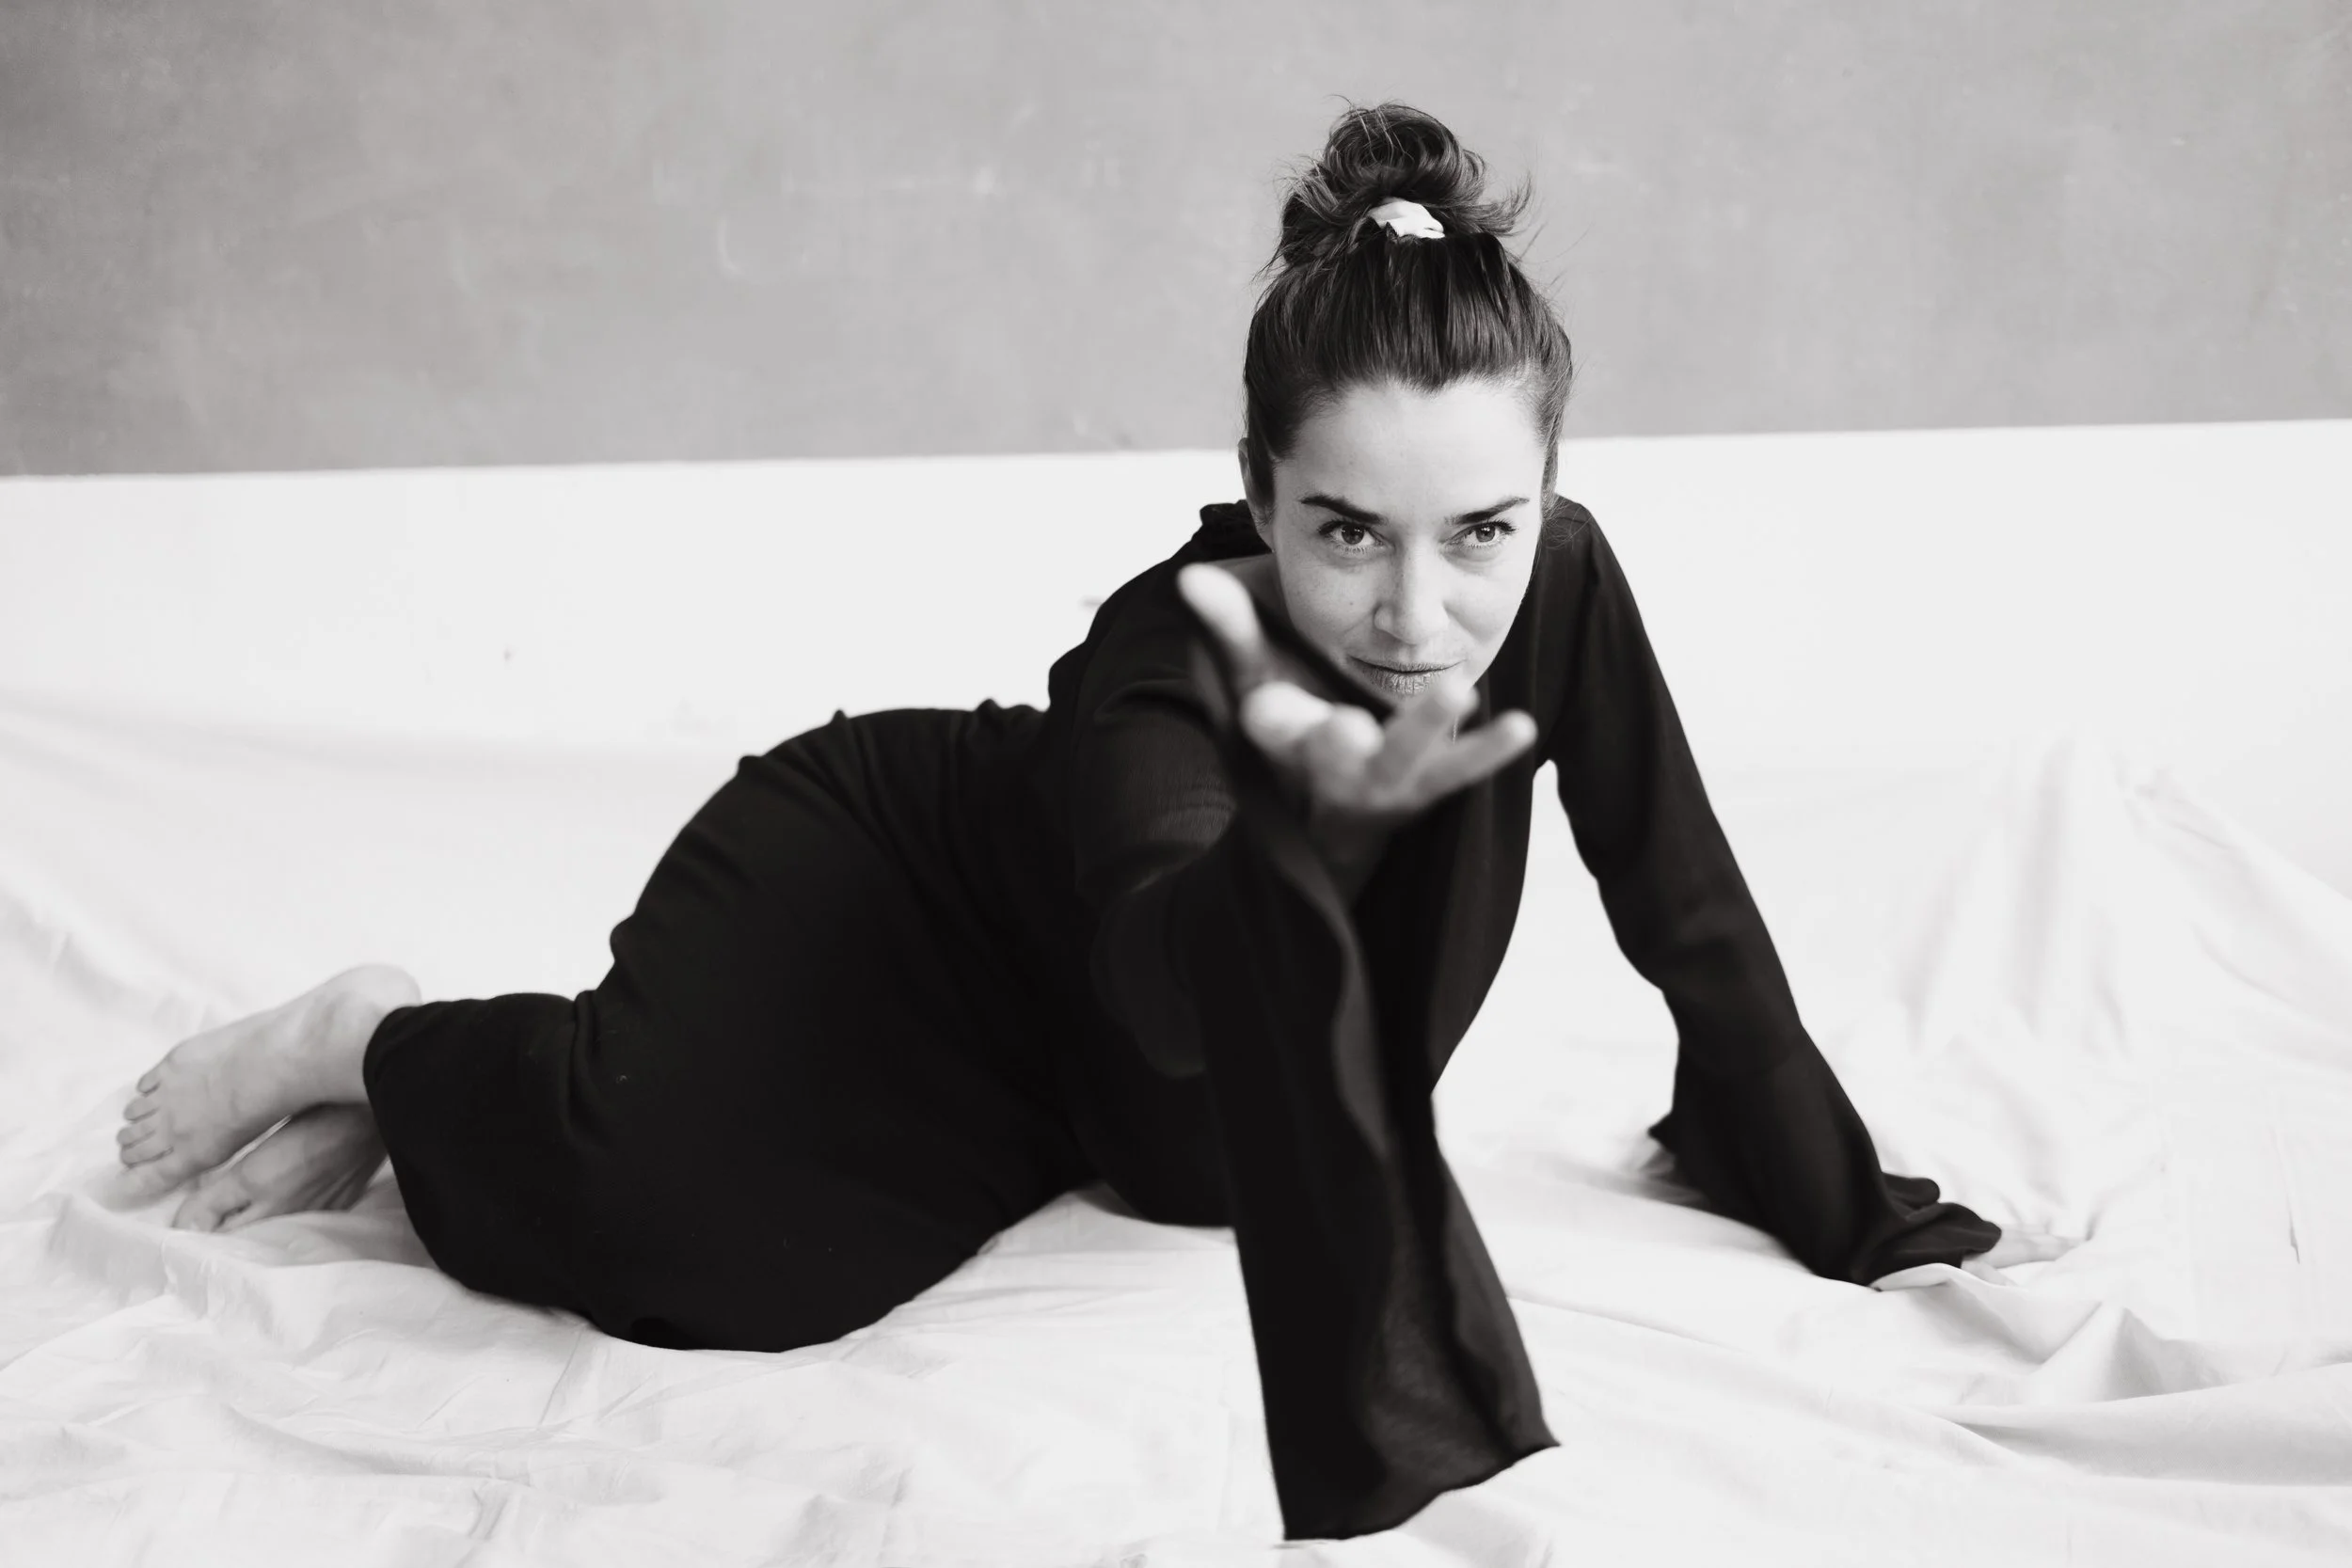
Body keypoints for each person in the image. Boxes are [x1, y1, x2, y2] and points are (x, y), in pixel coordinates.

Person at [112, 103, 2020, 1542]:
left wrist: (1844, 1209)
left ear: (1544, 492)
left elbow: (1682, 900)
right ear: (1256, 494)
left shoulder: (1565, 581)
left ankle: (419, 1097)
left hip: (1100, 1100)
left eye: (1481, 533)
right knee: (687, 1255)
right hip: (907, 910)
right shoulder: (1163, 660)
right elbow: (1162, 965)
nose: (1417, 611)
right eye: (1345, 529)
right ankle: (377, 1034)